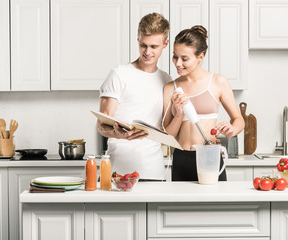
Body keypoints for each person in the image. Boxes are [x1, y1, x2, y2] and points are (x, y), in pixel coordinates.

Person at [162, 25, 245, 181]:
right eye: (175, 56)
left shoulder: (217, 82)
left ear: (200, 57)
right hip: (181, 158)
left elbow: (239, 120)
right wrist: (179, 115)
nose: (178, 63)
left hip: (210, 156)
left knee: (215, 205)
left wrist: (232, 129)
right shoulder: (169, 88)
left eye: (184, 58)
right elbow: (168, 136)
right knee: (180, 206)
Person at [96, 13, 171, 180]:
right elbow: (101, 124)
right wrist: (118, 134)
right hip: (117, 172)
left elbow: (170, 127)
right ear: (137, 38)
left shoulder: (167, 81)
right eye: (143, 45)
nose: (147, 52)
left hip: (154, 173)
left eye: (154, 46)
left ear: (165, 44)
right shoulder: (119, 74)